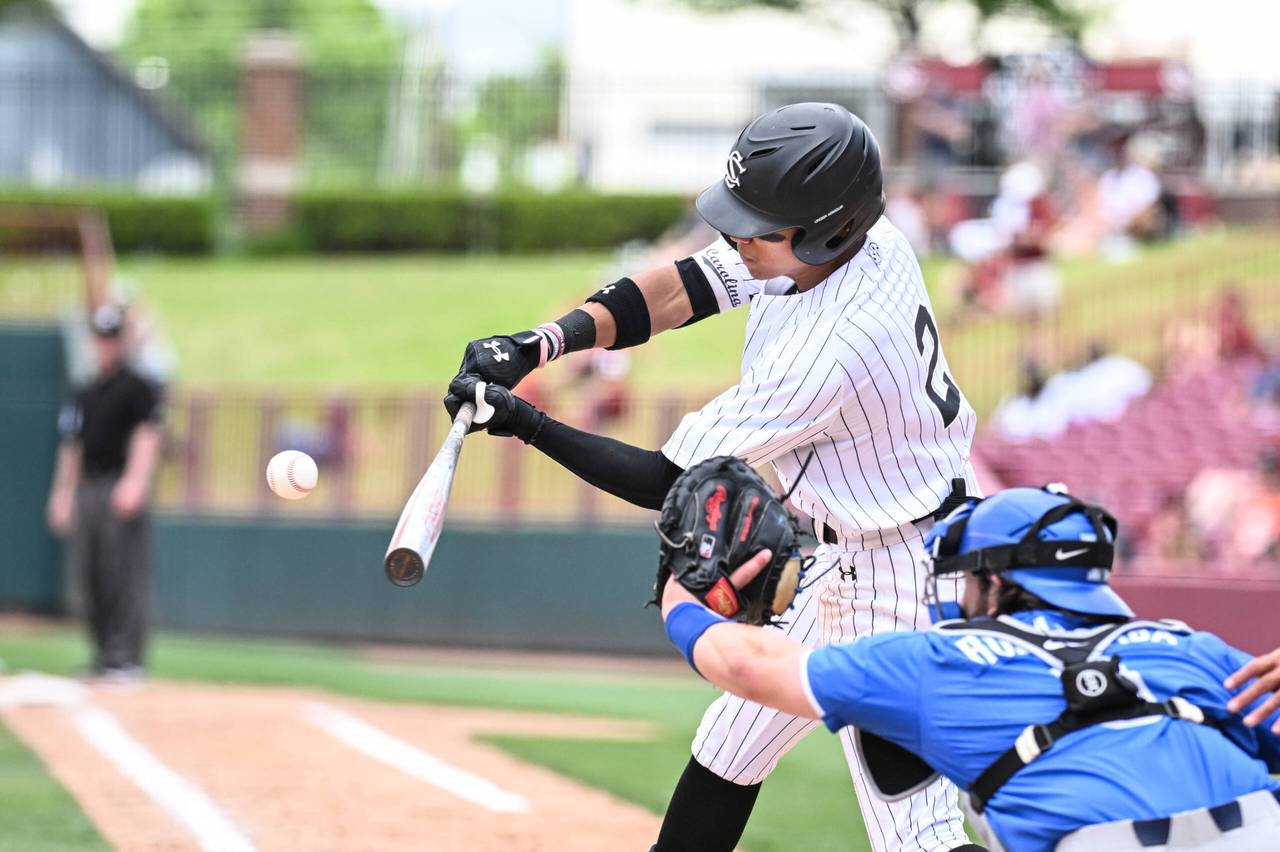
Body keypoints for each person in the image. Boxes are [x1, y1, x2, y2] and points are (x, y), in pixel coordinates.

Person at [444, 103, 982, 852]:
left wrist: (525, 422)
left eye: (756, 226)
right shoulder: (853, 241)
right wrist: (541, 344)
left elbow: (668, 481)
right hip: (850, 548)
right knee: (729, 747)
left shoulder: (834, 347)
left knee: (917, 833)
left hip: (903, 578)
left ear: (825, 228)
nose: (736, 237)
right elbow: (680, 289)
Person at [659, 485, 1280, 851]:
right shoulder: (1196, 649)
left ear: (998, 582)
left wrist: (680, 596)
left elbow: (746, 663)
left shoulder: (940, 661)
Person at [46, 304, 163, 681]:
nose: (105, 345)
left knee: (122, 572)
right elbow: (71, 445)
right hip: (89, 486)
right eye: (100, 337)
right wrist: (62, 493)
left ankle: (126, 657)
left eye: (112, 337)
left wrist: (135, 482)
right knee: (92, 572)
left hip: (118, 482)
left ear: (121, 340)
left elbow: (148, 435)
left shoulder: (137, 385)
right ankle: (102, 654)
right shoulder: (85, 389)